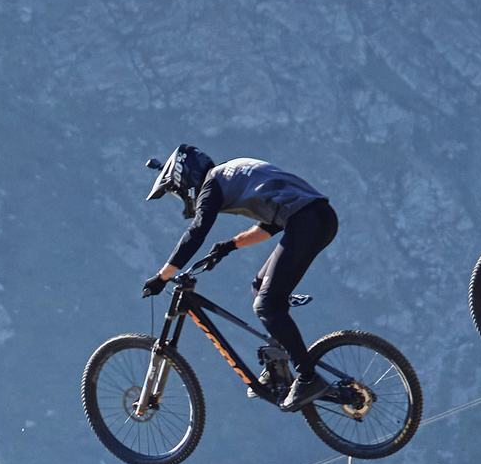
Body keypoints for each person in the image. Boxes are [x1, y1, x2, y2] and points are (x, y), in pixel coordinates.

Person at [143, 146, 337, 410]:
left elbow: (197, 230)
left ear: (185, 179)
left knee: (266, 305)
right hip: (319, 218)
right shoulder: (232, 173)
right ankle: (278, 366)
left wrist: (162, 276)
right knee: (260, 287)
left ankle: (307, 377)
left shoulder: (212, 183)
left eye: (179, 192)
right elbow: (271, 224)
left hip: (305, 221)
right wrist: (230, 245)